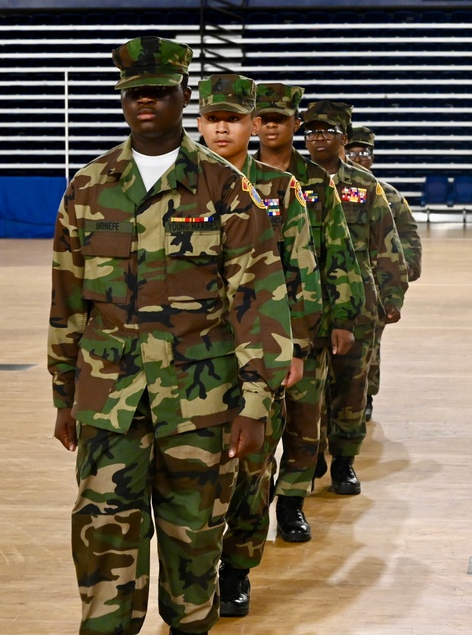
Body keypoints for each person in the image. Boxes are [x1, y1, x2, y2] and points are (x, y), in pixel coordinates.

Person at [48, 36, 292, 635]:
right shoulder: (89, 186)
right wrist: (62, 397)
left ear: (184, 96)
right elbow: (67, 301)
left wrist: (257, 403)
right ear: (122, 100)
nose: (146, 103)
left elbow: (259, 296)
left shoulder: (224, 185)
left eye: (159, 91)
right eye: (134, 93)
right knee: (104, 533)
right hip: (109, 401)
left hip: (201, 402)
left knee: (194, 541)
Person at [195, 73, 322, 617]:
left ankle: (237, 570)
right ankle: (193, 574)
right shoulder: (182, 182)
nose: (222, 127)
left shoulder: (278, 188)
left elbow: (301, 271)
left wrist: (295, 348)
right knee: (196, 472)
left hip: (256, 352)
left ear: (251, 124)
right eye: (212, 118)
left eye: (233, 118)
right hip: (192, 358)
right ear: (198, 123)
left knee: (250, 469)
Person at [254, 83, 365, 541]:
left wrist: (342, 316)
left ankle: (292, 506)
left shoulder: (315, 181)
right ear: (255, 123)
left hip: (306, 322)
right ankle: (250, 511)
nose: (272, 126)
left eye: (282, 118)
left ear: (294, 125)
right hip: (251, 324)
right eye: (265, 118)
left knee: (303, 425)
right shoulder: (225, 176)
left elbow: (339, 251)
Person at [302, 100, 408, 495]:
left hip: (359, 300)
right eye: (311, 131)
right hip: (307, 301)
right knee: (307, 390)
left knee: (350, 388)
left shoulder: (366, 187)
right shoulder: (293, 181)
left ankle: (344, 462)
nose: (318, 138)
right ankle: (309, 456)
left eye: (327, 131)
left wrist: (391, 295)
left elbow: (387, 244)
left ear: (344, 139)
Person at [345, 124, 422, 421]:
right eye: (352, 152)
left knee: (369, 349)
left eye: (363, 153)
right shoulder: (323, 190)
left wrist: (400, 274)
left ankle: (365, 396)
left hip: (373, 289)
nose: (357, 158)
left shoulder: (388, 196)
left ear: (372, 158)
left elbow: (409, 238)